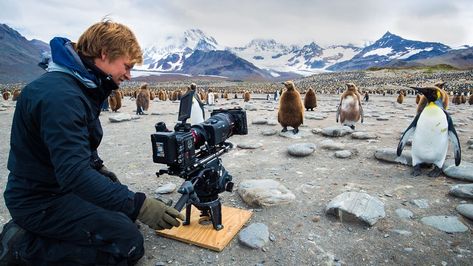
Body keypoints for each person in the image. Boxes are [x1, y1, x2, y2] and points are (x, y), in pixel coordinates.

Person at [0, 20, 184, 265]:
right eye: (127, 66)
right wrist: (140, 205)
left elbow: (75, 153)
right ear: (104, 54)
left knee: (121, 214)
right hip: (38, 199)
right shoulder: (62, 97)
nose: (129, 75)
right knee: (126, 243)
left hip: (57, 188)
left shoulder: (79, 87)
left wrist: (101, 173)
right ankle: (19, 246)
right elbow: (74, 173)